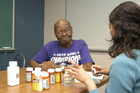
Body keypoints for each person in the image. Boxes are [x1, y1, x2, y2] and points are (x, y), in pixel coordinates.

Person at [67, 1, 140, 93]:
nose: (110, 32)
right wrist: (111, 71)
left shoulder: (123, 62)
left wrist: (87, 80)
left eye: (110, 27)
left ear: (119, 30)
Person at [30, 19, 94, 71]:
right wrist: (42, 67)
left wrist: (58, 67)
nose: (64, 34)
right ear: (55, 33)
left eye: (67, 30)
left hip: (75, 82)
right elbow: (32, 62)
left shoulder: (80, 44)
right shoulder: (50, 46)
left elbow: (88, 67)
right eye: (59, 32)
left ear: (71, 30)